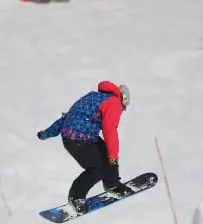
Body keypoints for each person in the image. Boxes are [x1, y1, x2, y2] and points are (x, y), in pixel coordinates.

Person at [36, 82, 133, 214]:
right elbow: (110, 130)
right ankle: (76, 197)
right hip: (78, 140)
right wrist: (113, 157)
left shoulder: (94, 96)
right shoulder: (115, 103)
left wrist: (46, 133)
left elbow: (69, 117)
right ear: (123, 98)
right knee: (97, 168)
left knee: (106, 154)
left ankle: (112, 184)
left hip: (80, 137)